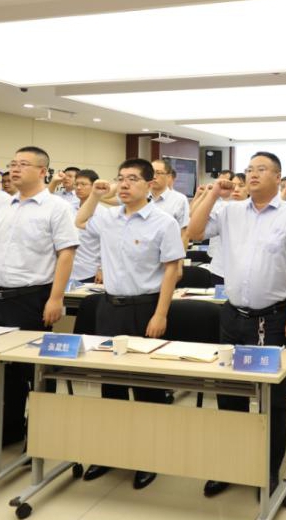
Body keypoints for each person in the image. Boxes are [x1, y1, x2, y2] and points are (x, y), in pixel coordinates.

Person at [187, 151, 286, 503]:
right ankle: (231, 464)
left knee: (271, 399)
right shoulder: (230, 212)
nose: (253, 174)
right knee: (230, 393)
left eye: (261, 169)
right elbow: (194, 231)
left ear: (278, 176)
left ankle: (269, 470)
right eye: (249, 169)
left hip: (274, 319)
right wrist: (213, 194)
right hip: (233, 317)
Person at [0, 145, 78, 455]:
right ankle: (7, 429)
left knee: (33, 370)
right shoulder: (0, 205)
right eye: (12, 163)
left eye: (23, 164)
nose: (14, 168)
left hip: (31, 298)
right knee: (1, 368)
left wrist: (56, 298)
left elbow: (66, 253)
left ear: (42, 171)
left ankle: (39, 434)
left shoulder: (56, 207)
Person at [75, 158, 184, 489]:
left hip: (145, 308)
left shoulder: (163, 222)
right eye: (120, 178)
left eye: (133, 179)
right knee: (111, 385)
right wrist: (95, 195)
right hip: (110, 308)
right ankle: (111, 453)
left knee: (147, 386)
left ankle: (149, 457)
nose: (124, 184)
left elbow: (172, 269)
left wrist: (161, 314)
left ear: (149, 185)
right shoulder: (107, 217)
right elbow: (80, 221)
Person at [69, 169, 104, 284]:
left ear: (94, 187)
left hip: (90, 272)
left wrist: (102, 268)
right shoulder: (68, 208)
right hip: (67, 270)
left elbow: (107, 244)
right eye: (76, 184)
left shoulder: (103, 213)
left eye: (83, 184)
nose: (79, 188)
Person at [149, 159, 191, 247]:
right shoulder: (141, 198)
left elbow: (184, 233)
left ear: (168, 177)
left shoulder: (179, 200)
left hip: (168, 252)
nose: (154, 176)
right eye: (151, 172)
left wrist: (180, 255)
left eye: (158, 173)